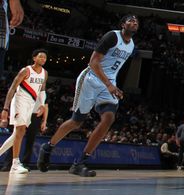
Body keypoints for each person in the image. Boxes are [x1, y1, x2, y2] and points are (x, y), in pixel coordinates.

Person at [37, 14, 138, 176]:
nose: (134, 23)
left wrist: (113, 85)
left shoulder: (132, 45)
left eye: (136, 22)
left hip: (108, 83)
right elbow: (93, 62)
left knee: (109, 118)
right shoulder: (112, 37)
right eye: (130, 21)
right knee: (76, 122)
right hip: (91, 79)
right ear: (122, 24)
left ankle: (80, 162)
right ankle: (48, 147)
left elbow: (114, 67)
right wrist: (109, 85)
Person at [0, 48, 48, 173]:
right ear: (34, 58)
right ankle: (15, 163)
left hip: (31, 104)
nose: (43, 59)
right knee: (20, 130)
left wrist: (42, 105)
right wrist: (5, 108)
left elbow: (42, 90)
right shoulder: (26, 71)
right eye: (40, 56)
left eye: (45, 57)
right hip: (20, 101)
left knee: (17, 134)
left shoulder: (44, 73)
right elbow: (12, 88)